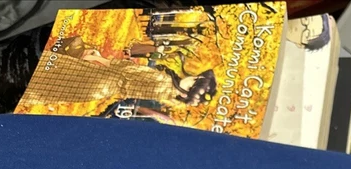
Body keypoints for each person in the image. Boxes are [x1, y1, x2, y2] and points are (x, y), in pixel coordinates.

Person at [22, 34, 216, 108]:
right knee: (49, 88)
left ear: (188, 91)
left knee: (51, 71)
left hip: (101, 79)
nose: (191, 78)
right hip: (99, 90)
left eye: (194, 81)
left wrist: (97, 58)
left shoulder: (163, 82)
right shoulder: (166, 93)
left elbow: (127, 71)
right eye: (196, 77)